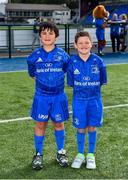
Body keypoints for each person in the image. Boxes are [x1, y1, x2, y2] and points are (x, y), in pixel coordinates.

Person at [27, 22, 70, 170]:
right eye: (44, 33)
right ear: (40, 36)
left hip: (58, 96)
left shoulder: (63, 55)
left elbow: (65, 70)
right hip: (41, 97)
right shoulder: (33, 57)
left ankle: (60, 152)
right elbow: (32, 74)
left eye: (50, 33)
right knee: (40, 124)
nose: (47, 36)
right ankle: (38, 154)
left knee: (58, 124)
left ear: (56, 37)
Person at [67, 31, 107, 169]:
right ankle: (80, 154)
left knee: (92, 126)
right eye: (80, 43)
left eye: (86, 42)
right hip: (79, 100)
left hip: (94, 100)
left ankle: (90, 155)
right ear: (75, 45)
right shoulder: (72, 62)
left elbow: (102, 81)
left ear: (91, 44)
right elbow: (71, 83)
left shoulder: (99, 61)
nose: (84, 45)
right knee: (80, 127)